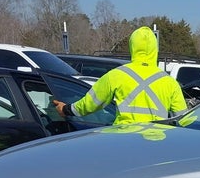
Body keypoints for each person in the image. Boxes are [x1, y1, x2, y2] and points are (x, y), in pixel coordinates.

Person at [53, 26, 186, 125]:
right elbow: (184, 120)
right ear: (155, 49)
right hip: (157, 145)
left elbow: (90, 103)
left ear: (132, 47)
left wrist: (66, 109)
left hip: (124, 142)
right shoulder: (170, 82)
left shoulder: (117, 75)